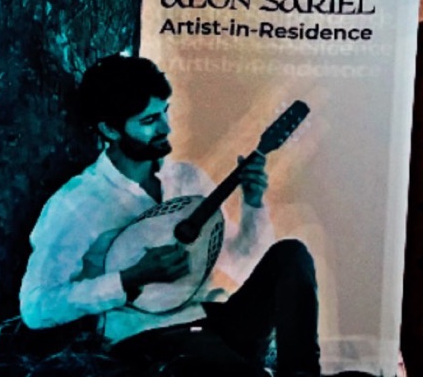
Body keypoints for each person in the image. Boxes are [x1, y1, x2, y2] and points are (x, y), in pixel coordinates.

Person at [19, 54, 321, 376]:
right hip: (148, 338)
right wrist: (128, 278)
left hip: (212, 320)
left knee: (291, 255)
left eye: (165, 111)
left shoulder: (186, 179)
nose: (166, 127)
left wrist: (253, 202)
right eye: (149, 120)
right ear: (110, 129)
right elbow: (36, 307)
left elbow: (243, 261)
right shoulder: (78, 203)